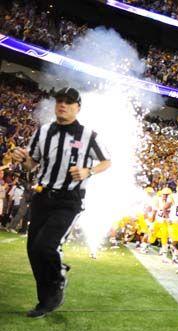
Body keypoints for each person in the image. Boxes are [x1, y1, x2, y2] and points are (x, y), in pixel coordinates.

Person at [10, 87, 111, 318]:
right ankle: (44, 301)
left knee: (45, 246)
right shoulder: (43, 131)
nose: (62, 105)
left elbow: (106, 162)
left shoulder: (88, 135)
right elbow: (31, 164)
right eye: (59, 101)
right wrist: (22, 159)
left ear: (78, 107)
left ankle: (58, 276)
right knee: (33, 251)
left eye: (68, 102)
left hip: (69, 200)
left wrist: (88, 171)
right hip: (43, 196)